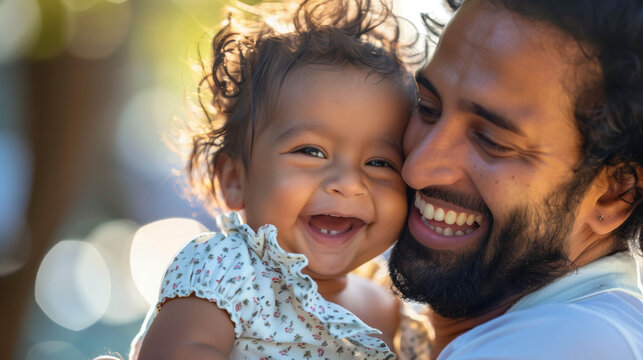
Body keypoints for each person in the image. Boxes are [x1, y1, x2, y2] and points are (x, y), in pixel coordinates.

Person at [130, 0, 432, 359]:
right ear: (234, 179)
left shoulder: (387, 307)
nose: (349, 183)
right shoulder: (227, 273)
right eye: (311, 152)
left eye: (380, 162)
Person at [388, 0, 643, 358]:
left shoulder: (568, 346)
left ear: (614, 195)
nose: (417, 166)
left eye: (492, 142)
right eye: (428, 108)